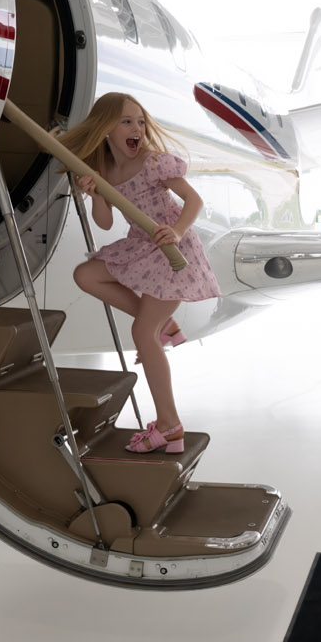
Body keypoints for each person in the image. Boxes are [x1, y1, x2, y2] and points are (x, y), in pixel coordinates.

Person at [58, 93, 221, 454]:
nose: (137, 129)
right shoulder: (105, 170)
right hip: (141, 246)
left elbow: (194, 201)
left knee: (142, 332)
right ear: (105, 129)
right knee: (86, 275)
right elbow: (104, 223)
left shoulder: (153, 162)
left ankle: (170, 425)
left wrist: (176, 230)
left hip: (171, 247)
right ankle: (166, 326)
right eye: (127, 122)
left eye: (141, 121)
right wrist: (96, 194)